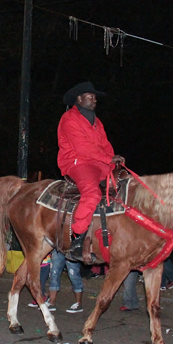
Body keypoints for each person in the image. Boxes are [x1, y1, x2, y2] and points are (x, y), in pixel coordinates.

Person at [57, 82, 124, 261]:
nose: (95, 99)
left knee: (125, 186)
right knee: (92, 193)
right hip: (78, 162)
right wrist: (107, 159)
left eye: (95, 97)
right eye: (91, 96)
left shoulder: (96, 121)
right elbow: (82, 147)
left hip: (98, 163)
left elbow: (105, 144)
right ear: (79, 99)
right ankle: (77, 238)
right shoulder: (69, 118)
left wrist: (113, 159)